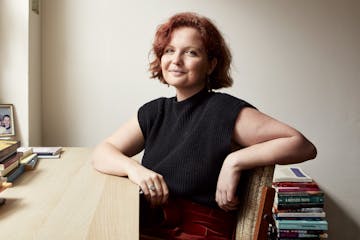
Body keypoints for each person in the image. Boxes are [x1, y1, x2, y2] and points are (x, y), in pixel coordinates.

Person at [92, 12, 317, 239]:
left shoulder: (223, 110)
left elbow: (301, 145)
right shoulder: (155, 111)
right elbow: (102, 153)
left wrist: (234, 161)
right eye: (169, 50)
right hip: (150, 223)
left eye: (191, 52)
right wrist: (135, 170)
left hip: (198, 231)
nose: (176, 60)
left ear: (211, 65)